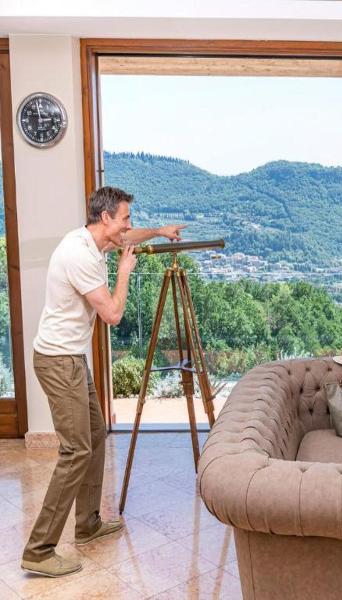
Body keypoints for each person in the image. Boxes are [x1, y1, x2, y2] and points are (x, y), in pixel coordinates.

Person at [21, 186, 185, 577]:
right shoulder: (80, 256)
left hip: (71, 358)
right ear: (106, 217)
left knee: (94, 435)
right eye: (125, 218)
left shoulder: (95, 241)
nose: (128, 226)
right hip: (58, 361)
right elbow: (112, 313)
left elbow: (127, 238)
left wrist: (159, 231)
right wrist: (124, 273)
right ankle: (39, 550)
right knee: (76, 449)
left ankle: (87, 523)